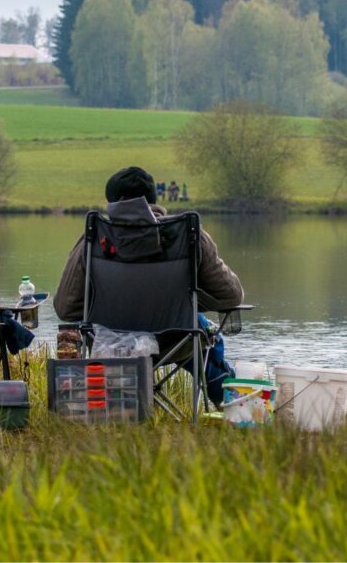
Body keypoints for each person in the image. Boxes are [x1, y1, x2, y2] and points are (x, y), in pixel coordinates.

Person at [54, 166, 244, 404]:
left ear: (111, 203)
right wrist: (188, 299)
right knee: (200, 329)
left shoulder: (93, 239)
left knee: (194, 325)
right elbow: (231, 296)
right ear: (154, 198)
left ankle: (103, 405)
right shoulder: (188, 234)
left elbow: (65, 308)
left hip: (108, 342)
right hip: (176, 340)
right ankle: (232, 402)